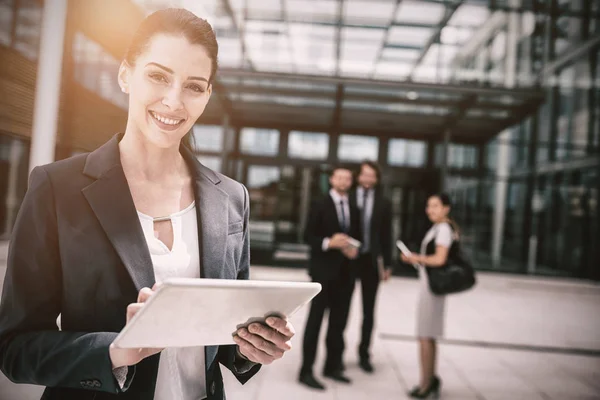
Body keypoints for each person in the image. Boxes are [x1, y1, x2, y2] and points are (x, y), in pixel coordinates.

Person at [0, 9, 295, 400]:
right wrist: (116, 351)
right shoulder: (57, 188)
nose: (173, 101)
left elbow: (222, 334)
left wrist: (252, 347)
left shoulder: (231, 198)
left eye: (193, 86)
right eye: (158, 76)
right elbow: (14, 347)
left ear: (206, 96)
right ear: (126, 75)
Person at [298, 166, 360, 390]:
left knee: (338, 323)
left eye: (348, 177)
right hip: (323, 273)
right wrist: (329, 243)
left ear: (351, 182)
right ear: (332, 180)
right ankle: (306, 371)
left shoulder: (354, 206)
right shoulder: (319, 203)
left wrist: (354, 248)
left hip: (346, 274)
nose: (344, 180)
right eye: (340, 177)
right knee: (315, 322)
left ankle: (332, 367)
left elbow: (358, 236)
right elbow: (308, 236)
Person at [401, 193, 458, 398]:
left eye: (435, 206)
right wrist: (416, 260)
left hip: (432, 291)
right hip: (429, 287)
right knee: (427, 336)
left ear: (446, 208)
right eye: (428, 205)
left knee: (425, 337)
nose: (430, 210)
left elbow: (440, 259)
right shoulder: (438, 228)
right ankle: (429, 380)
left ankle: (426, 384)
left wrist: (416, 257)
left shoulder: (443, 229)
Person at [349, 161, 392, 373]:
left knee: (369, 311)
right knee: (342, 309)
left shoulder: (384, 202)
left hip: (370, 261)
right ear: (359, 176)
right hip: (348, 259)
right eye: (364, 175)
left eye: (372, 176)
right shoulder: (348, 196)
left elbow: (387, 235)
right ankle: (336, 355)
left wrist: (388, 264)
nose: (368, 179)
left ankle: (364, 353)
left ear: (376, 179)